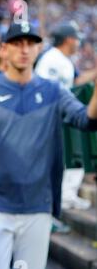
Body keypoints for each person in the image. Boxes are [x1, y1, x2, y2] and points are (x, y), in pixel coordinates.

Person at [0, 22, 97, 269]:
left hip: (36, 210)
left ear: (38, 48)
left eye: (30, 43)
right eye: (17, 43)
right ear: (4, 49)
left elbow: (87, 120)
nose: (24, 49)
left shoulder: (53, 91)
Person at [36, 22, 95, 215]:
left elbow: (77, 81)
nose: (78, 42)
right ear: (68, 39)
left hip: (66, 115)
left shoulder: (65, 60)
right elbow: (44, 88)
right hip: (51, 118)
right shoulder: (51, 58)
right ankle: (59, 198)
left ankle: (67, 196)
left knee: (73, 155)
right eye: (76, 38)